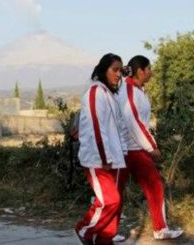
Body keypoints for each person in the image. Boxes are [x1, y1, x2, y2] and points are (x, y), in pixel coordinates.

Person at [115, 55, 183, 240]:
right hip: (125, 149)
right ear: (140, 71)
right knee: (115, 193)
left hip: (135, 148)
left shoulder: (139, 90)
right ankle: (103, 231)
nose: (151, 72)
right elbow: (133, 121)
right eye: (149, 68)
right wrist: (151, 147)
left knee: (154, 185)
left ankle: (160, 229)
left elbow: (142, 122)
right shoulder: (128, 89)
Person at [74, 53, 127, 245]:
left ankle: (104, 240)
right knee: (110, 200)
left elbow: (117, 128)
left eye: (121, 70)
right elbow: (97, 126)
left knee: (114, 201)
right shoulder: (96, 91)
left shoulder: (108, 94)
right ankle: (84, 229)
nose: (118, 74)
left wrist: (122, 154)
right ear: (103, 69)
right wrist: (105, 157)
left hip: (112, 158)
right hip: (97, 159)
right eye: (115, 69)